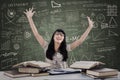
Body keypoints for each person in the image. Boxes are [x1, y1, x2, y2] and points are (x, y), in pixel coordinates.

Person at [24, 7, 94, 69]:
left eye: (61, 35)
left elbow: (80, 41)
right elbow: (36, 34)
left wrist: (89, 27)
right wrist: (30, 18)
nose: (59, 36)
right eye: (57, 34)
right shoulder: (46, 46)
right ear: (53, 37)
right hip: (49, 75)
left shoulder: (66, 48)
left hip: (64, 75)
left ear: (63, 39)